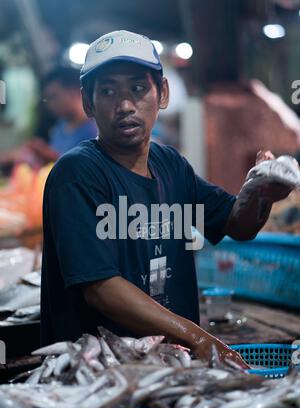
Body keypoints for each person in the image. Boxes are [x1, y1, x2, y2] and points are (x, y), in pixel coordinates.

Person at [41, 30, 293, 366]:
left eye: (138, 88)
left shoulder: (171, 165)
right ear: (88, 102)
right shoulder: (77, 174)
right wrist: (199, 337)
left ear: (162, 93)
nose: (125, 104)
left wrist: (260, 194)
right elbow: (101, 288)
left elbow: (236, 224)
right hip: (100, 370)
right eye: (108, 91)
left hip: (171, 363)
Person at [0, 66, 97, 167]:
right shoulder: (61, 126)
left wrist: (47, 154)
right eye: (47, 99)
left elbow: (84, 168)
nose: (49, 104)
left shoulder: (95, 128)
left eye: (53, 96)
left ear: (74, 92)